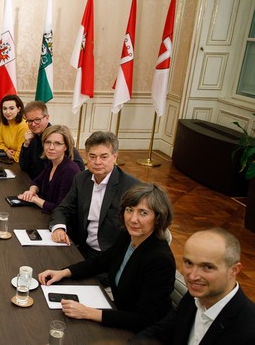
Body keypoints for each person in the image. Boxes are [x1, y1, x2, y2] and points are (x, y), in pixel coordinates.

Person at [39, 183, 176, 332]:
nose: (133, 219)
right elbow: (101, 262)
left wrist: (87, 312)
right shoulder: (128, 236)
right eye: (130, 210)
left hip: (144, 332)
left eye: (143, 213)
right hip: (119, 312)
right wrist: (63, 272)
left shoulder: (160, 260)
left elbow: (144, 319)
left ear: (158, 218)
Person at [133, 228, 255, 344]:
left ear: (234, 270)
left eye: (207, 267)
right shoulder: (193, 297)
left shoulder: (249, 329)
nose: (192, 276)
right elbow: (158, 333)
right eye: (188, 263)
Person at [49, 131, 139, 259]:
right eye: (92, 156)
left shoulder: (131, 186)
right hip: (82, 248)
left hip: (112, 256)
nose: (97, 162)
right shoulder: (81, 179)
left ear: (115, 157)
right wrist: (59, 228)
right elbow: (63, 208)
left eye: (104, 157)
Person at [17, 125, 80, 213]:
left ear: (66, 146)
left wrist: (35, 199)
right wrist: (32, 191)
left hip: (62, 224)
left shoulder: (70, 170)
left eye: (58, 143)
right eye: (47, 142)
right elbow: (36, 182)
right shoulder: (52, 163)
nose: (51, 147)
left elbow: (60, 208)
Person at [19, 101, 84, 179]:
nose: (33, 124)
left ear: (47, 118)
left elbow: (79, 168)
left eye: (37, 120)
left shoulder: (58, 135)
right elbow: (24, 167)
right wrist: (26, 145)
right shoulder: (32, 138)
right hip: (36, 185)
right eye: (29, 121)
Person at [0, 95, 29, 162]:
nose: (7, 112)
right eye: (5, 108)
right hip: (7, 159)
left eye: (11, 108)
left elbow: (20, 154)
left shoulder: (23, 126)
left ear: (19, 109)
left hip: (18, 162)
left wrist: (11, 155)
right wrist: (6, 150)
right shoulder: (3, 123)